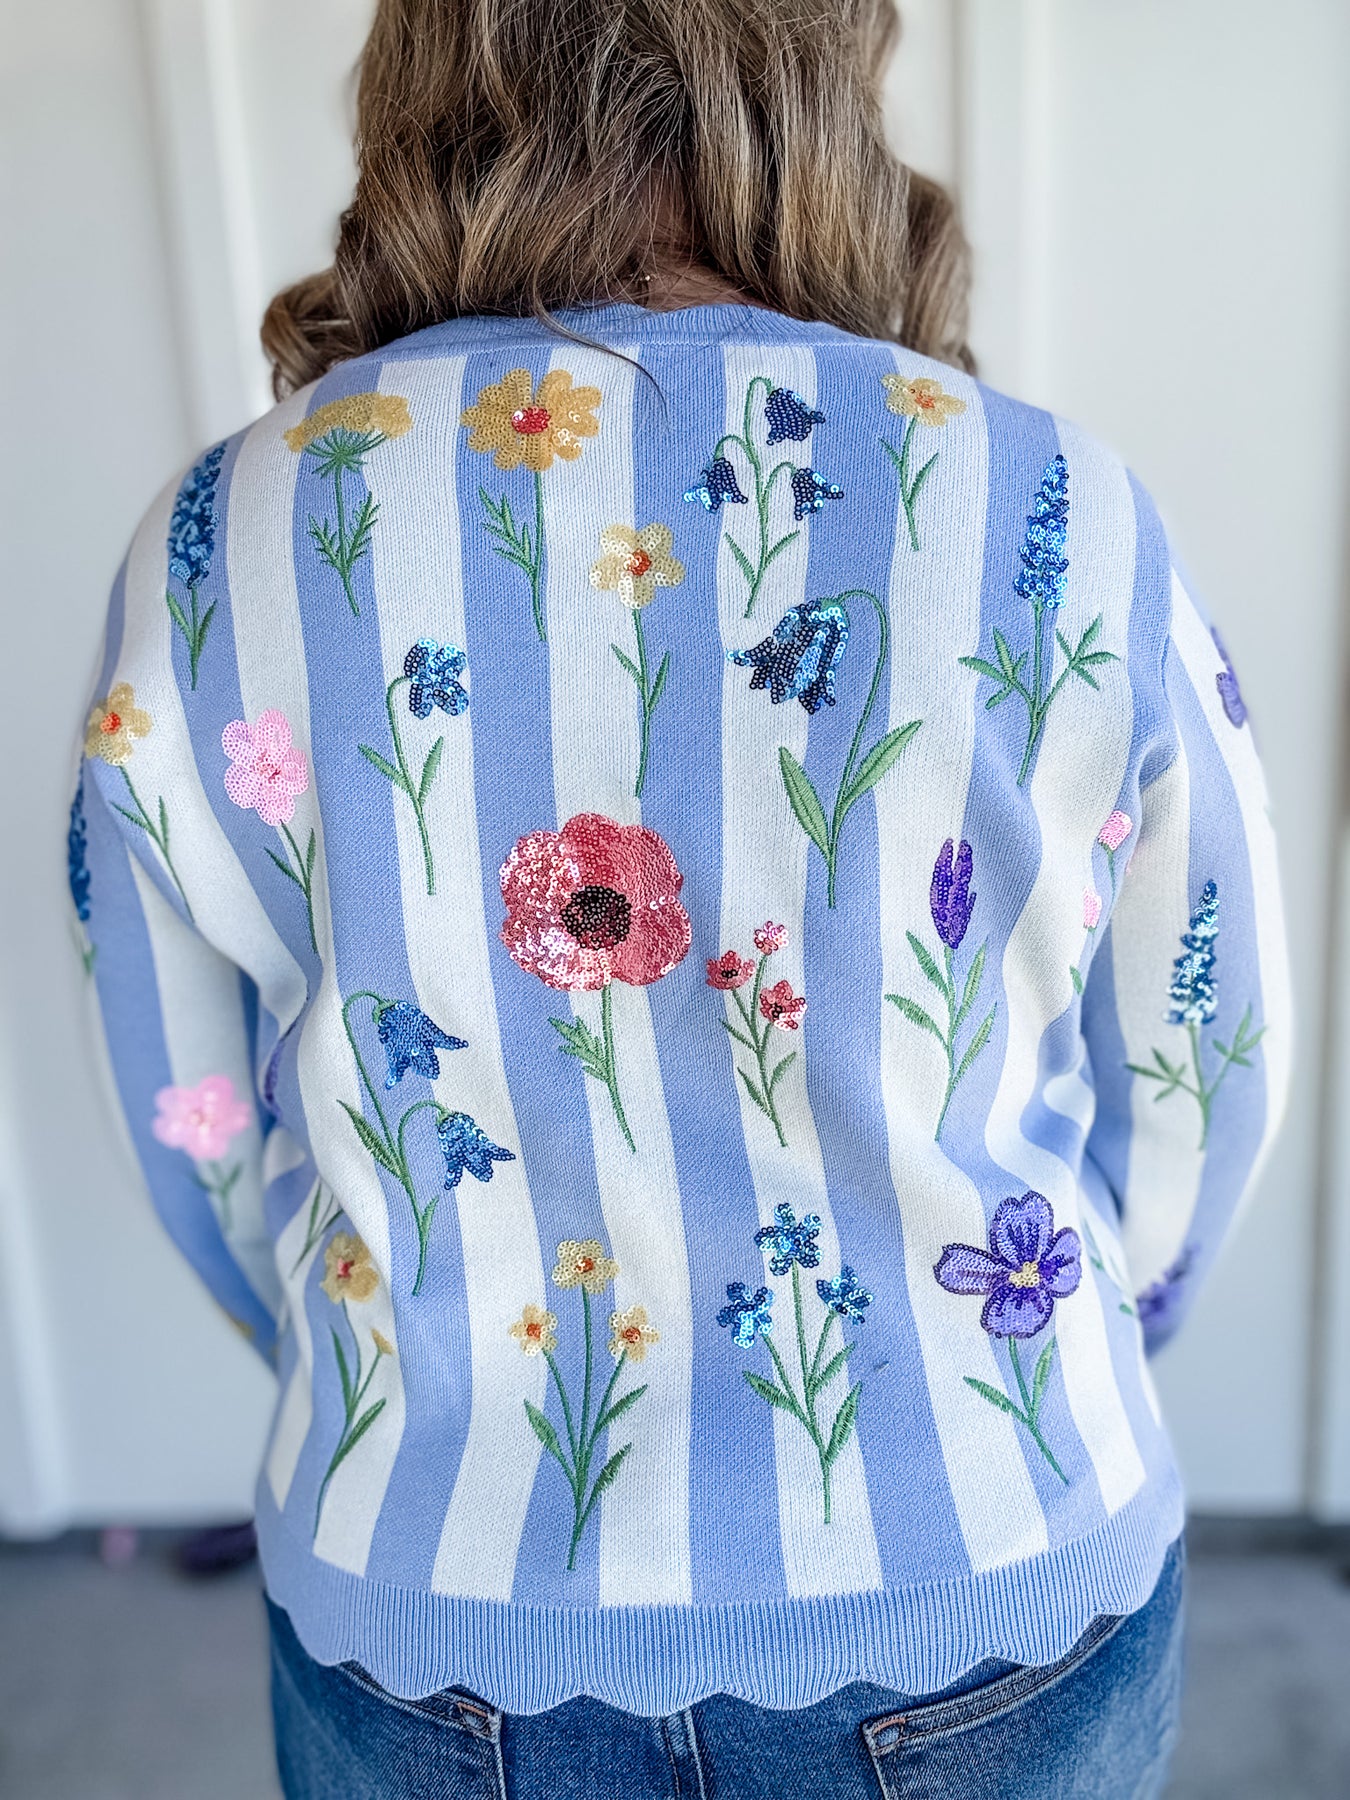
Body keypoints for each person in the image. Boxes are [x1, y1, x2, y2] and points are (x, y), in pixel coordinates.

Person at [72, 1, 1290, 1794]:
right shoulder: (1056, 505)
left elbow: (184, 1111)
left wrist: (374, 1351)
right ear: (820, 80)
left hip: (427, 1584)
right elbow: (1204, 1057)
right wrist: (1070, 1315)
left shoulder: (221, 540)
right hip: (991, 1564)